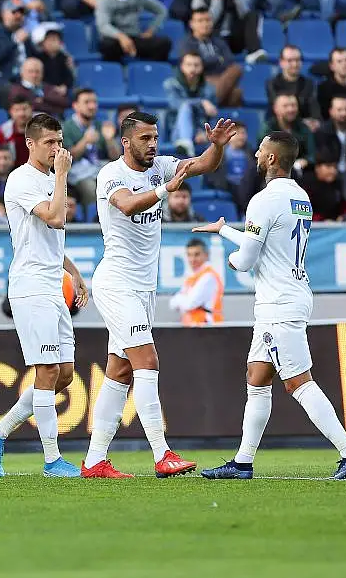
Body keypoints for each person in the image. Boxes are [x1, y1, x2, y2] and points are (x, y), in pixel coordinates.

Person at [194, 132, 346, 480]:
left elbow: (246, 260)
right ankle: (242, 463)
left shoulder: (263, 200)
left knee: (298, 382)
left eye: (260, 150)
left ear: (272, 158)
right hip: (290, 294)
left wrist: (231, 258)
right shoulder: (300, 197)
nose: (256, 155)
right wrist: (224, 230)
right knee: (257, 376)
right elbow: (266, 242)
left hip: (278, 303)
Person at [81, 112, 236, 479]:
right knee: (147, 361)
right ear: (126, 142)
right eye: (145, 139)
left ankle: (94, 460)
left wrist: (216, 146)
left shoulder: (161, 167)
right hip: (117, 282)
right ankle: (162, 454)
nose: (153, 144)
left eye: (155, 138)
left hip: (143, 287)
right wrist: (167, 190)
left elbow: (203, 164)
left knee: (119, 370)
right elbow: (127, 204)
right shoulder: (112, 174)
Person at [0, 113, 89, 478]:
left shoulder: (49, 180)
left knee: (65, 374)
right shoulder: (22, 179)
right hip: (30, 285)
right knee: (47, 369)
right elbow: (56, 218)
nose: (57, 149)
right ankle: (52, 460)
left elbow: (51, 238)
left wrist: (73, 272)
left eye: (60, 142)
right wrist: (62, 176)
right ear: (30, 144)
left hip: (53, 283)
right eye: (49, 143)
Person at [95, 0, 172, 63]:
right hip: (115, 39)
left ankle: (148, 69)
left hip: (135, 38)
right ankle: (116, 69)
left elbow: (162, 10)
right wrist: (121, 37)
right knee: (107, 45)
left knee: (164, 43)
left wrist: (151, 31)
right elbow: (103, 25)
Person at [190, 0, 264, 64]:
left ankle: (254, 52)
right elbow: (206, 23)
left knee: (253, 15)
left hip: (234, 37)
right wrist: (217, 0)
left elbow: (245, 15)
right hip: (214, 38)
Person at [62, 88, 119, 208]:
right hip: (78, 174)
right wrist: (85, 141)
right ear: (75, 106)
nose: (92, 106)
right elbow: (67, 158)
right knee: (91, 189)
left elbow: (115, 157)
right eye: (87, 102)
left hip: (99, 170)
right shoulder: (66, 127)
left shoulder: (100, 125)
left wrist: (109, 140)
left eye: (94, 102)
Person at [177, 9, 243, 108]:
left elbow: (229, 62)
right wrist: (218, 59)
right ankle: (209, 103)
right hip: (202, 80)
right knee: (235, 93)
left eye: (208, 20)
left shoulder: (219, 42)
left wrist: (208, 61)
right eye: (200, 21)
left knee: (236, 71)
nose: (205, 24)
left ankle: (210, 104)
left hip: (222, 77)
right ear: (191, 24)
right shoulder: (187, 43)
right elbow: (194, 65)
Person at [0, 0, 37, 101]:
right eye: (14, 12)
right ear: (3, 14)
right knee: (19, 93)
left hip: (23, 82)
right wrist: (14, 42)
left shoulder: (25, 35)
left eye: (22, 12)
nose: (18, 15)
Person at [166, 52, 219, 157]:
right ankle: (186, 142)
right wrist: (201, 102)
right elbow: (175, 104)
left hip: (200, 132)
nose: (192, 69)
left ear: (202, 67)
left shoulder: (209, 89)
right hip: (178, 132)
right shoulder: (171, 84)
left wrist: (205, 134)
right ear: (182, 66)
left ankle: (187, 145)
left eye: (196, 65)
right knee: (185, 106)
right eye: (189, 65)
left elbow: (213, 114)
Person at [169, 238, 223, 326]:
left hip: (208, 327)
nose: (192, 259)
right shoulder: (191, 277)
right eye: (189, 255)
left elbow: (189, 304)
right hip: (193, 327)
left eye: (197, 254)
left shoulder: (209, 277)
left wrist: (180, 298)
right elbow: (172, 304)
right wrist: (183, 300)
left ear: (206, 255)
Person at [267, 45, 320, 127]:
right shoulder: (272, 84)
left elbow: (314, 109)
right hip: (279, 127)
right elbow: (279, 111)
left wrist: (314, 121)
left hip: (303, 129)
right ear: (281, 62)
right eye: (290, 60)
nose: (295, 64)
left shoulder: (308, 83)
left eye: (297, 60)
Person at [260, 93, 316, 167]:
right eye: (285, 106)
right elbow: (262, 155)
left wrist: (305, 161)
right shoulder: (268, 129)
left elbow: (312, 155)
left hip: (301, 170)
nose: (290, 109)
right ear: (275, 109)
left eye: (293, 105)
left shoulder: (304, 128)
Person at [315, 96, 346, 170]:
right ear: (331, 111)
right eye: (339, 110)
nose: (343, 113)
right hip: (331, 172)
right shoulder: (321, 132)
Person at [301, 152, 346, 220]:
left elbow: (344, 209)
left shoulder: (338, 184)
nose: (333, 171)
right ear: (317, 167)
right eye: (328, 166)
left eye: (335, 167)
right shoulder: (305, 185)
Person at [33, 29, 74, 96]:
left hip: (61, 92)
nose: (50, 43)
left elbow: (69, 78)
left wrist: (64, 86)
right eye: (47, 40)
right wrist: (50, 88)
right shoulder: (37, 58)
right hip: (42, 91)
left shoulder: (64, 58)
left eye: (53, 40)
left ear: (60, 43)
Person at [0, 95, 33, 169]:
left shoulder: (42, 125)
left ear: (31, 108)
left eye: (25, 109)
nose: (21, 114)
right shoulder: (4, 130)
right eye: (17, 110)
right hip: (14, 170)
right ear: (10, 112)